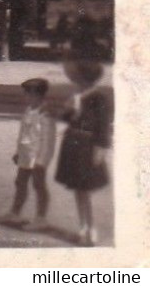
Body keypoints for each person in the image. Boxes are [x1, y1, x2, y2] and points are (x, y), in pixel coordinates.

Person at [52, 55, 112, 245]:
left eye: (77, 78)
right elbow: (66, 120)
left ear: (86, 79)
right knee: (78, 189)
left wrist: (100, 148)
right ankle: (82, 227)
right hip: (73, 144)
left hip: (88, 146)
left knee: (87, 190)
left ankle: (92, 229)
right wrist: (68, 111)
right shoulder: (76, 97)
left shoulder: (99, 98)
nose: (75, 81)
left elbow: (103, 127)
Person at [6, 77, 57, 226]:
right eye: (25, 94)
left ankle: (41, 218)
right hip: (26, 154)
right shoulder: (29, 111)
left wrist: (42, 161)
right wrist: (18, 152)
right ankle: (15, 213)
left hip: (38, 157)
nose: (26, 97)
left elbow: (48, 140)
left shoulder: (45, 114)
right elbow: (23, 134)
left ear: (38, 95)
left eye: (28, 94)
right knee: (20, 182)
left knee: (38, 185)